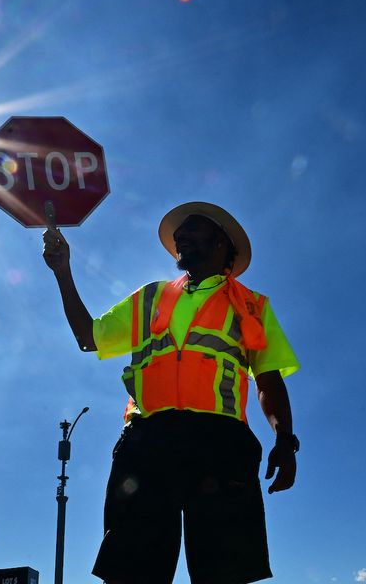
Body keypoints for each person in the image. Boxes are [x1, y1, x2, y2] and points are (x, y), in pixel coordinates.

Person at [42, 201, 300, 584]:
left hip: (221, 445)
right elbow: (88, 337)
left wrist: (285, 439)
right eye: (179, 232)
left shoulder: (252, 307)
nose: (181, 235)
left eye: (192, 227)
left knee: (224, 575)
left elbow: (268, 379)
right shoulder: (151, 297)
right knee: (132, 574)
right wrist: (63, 271)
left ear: (221, 242)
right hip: (147, 442)